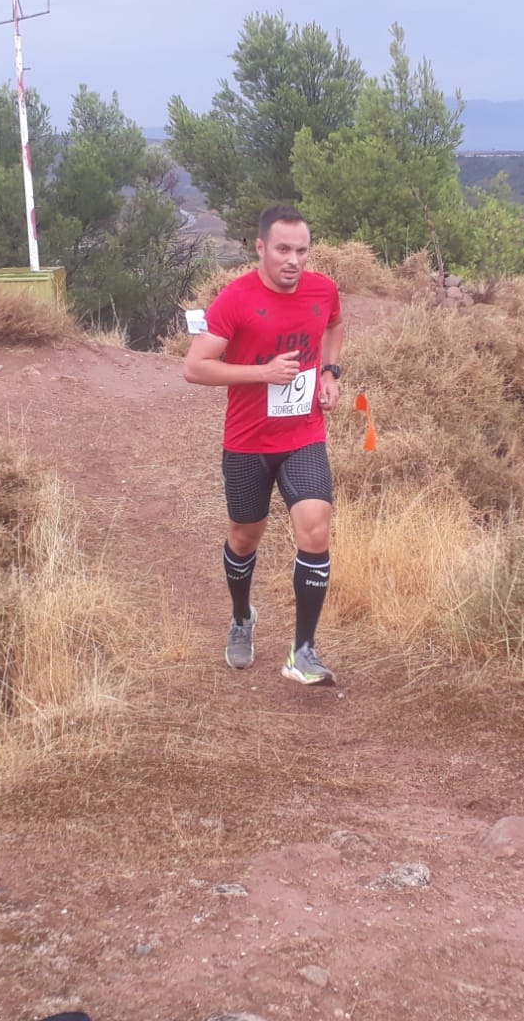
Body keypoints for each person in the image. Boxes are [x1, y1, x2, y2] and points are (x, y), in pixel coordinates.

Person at [182, 204, 344, 686]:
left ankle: (303, 652)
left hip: (304, 435)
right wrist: (263, 373)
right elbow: (195, 367)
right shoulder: (236, 300)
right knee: (243, 537)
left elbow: (334, 325)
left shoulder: (323, 290)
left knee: (316, 529)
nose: (294, 260)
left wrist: (331, 373)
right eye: (283, 249)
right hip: (249, 442)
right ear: (260, 247)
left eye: (302, 250)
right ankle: (241, 617)